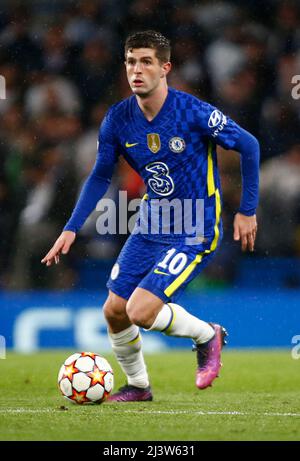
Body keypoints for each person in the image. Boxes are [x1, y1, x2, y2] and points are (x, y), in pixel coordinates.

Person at [41, 30, 259, 402]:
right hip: (151, 223)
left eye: (146, 62)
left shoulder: (193, 112)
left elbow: (249, 145)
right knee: (114, 310)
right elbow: (99, 176)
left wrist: (247, 211)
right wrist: (71, 228)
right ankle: (139, 387)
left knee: (140, 311)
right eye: (130, 62)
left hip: (194, 226)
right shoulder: (118, 119)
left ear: (165, 68)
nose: (136, 70)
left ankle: (208, 334)